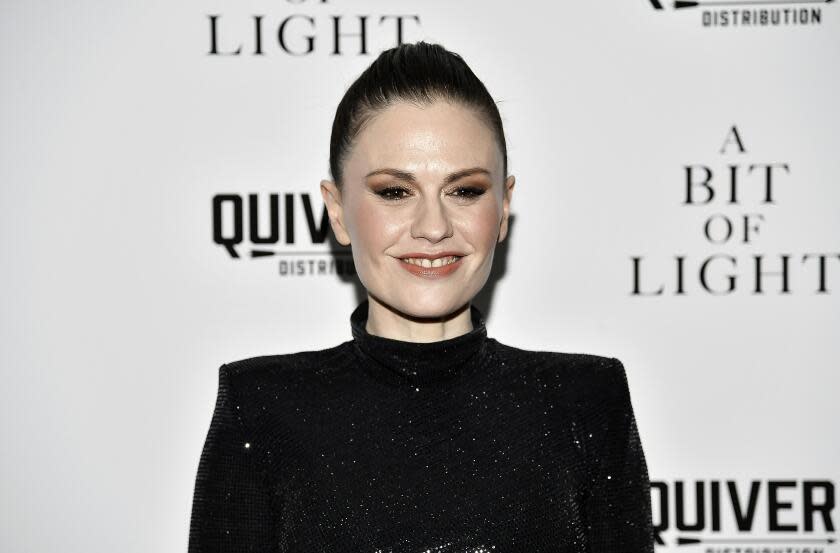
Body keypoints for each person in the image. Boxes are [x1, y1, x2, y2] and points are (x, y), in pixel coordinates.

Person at [188, 41, 654, 552]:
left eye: (465, 191)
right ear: (337, 210)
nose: (433, 228)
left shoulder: (586, 402)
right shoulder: (261, 406)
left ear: (503, 207)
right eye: (394, 191)